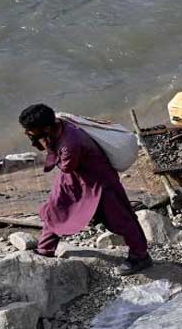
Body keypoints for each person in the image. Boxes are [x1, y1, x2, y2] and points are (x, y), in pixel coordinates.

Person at [19, 104, 152, 272]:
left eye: (30, 131)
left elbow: (66, 165)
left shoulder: (71, 143)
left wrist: (45, 144)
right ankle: (45, 249)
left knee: (121, 220)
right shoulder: (58, 125)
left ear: (46, 128)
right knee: (55, 210)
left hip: (99, 183)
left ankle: (140, 256)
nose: (27, 134)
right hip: (73, 180)